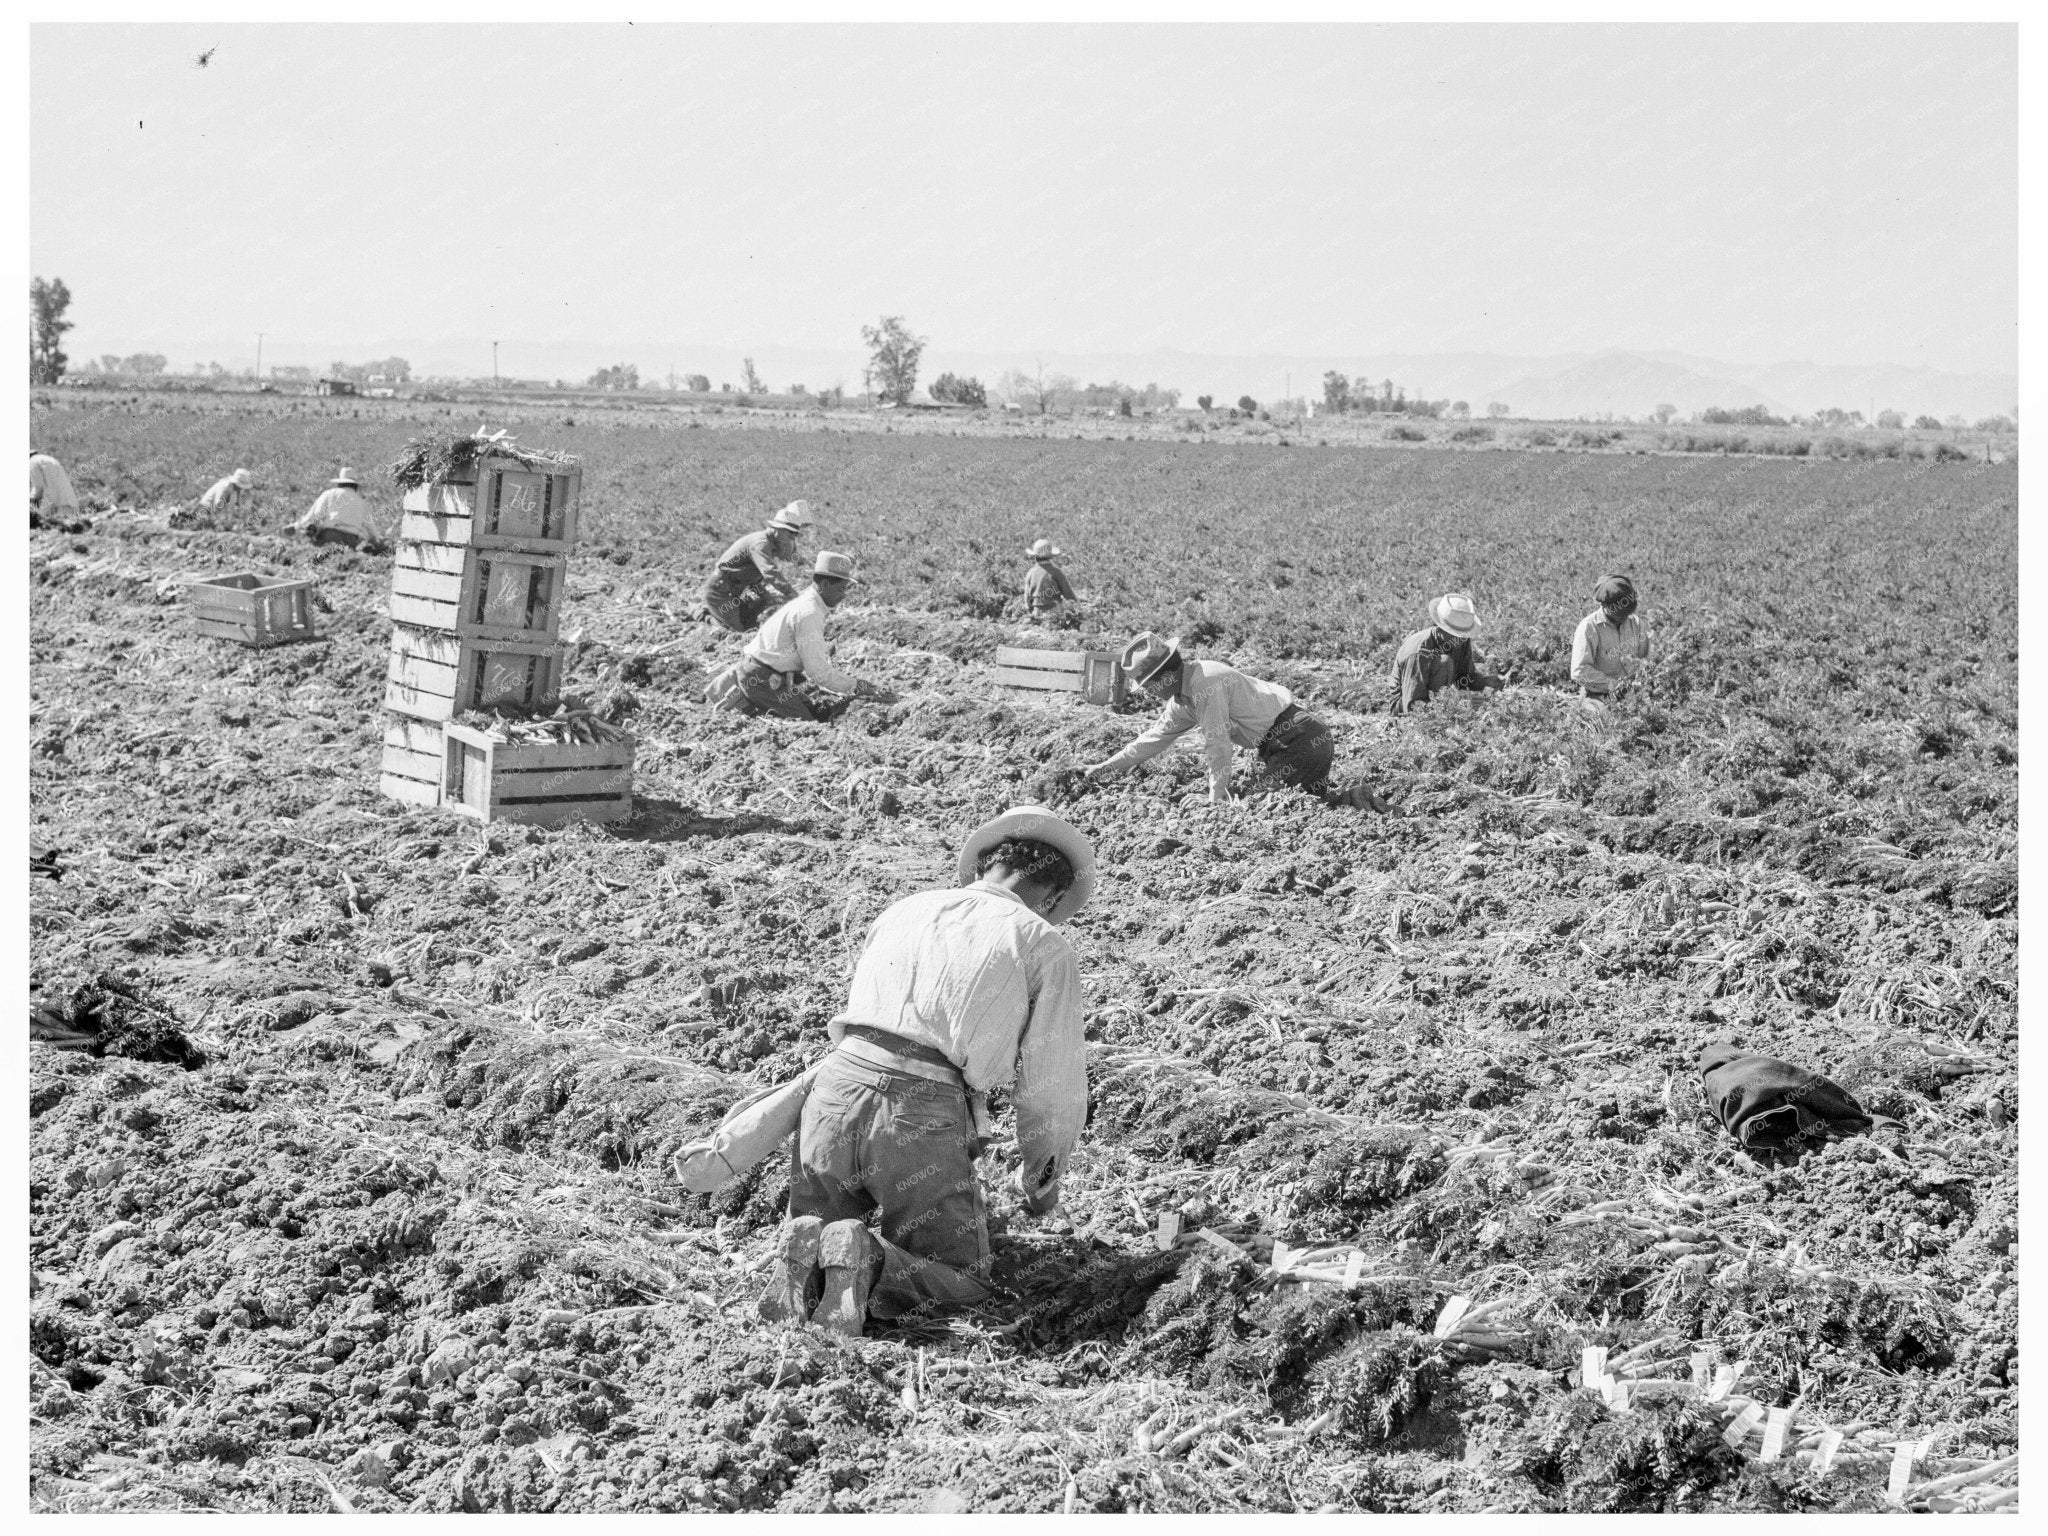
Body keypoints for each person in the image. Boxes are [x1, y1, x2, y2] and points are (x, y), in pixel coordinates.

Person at [760, 806, 1093, 1337]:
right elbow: (1050, 1089)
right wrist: (1041, 1179)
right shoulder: (1043, 944)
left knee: (822, 1235)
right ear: (1052, 898)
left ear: (983, 867)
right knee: (963, 1281)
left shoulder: (905, 909)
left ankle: (811, 1258)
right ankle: (867, 1255)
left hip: (834, 1090)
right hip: (920, 1110)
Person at [1082, 632, 1397, 811]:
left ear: (1164, 677)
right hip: (1284, 745)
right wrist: (1104, 768)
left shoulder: (1205, 682)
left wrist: (1213, 801)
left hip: (1298, 740)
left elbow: (1217, 745)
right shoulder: (1182, 698)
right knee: (1295, 803)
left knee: (1261, 807)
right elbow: (1153, 739)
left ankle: (1356, 801)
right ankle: (1355, 798)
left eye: (1148, 684)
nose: (1148, 692)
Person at [735, 551, 897, 718]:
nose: (843, 595)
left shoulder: (807, 604)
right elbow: (818, 672)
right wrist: (858, 686)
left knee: (816, 709)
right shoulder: (809, 613)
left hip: (765, 671)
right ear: (825, 584)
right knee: (806, 724)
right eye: (841, 589)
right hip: (761, 679)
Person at [703, 500, 812, 632]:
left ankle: (720, 612)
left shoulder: (771, 543)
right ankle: (704, 615)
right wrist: (794, 596)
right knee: (736, 631)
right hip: (720, 591)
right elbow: (770, 574)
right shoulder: (760, 544)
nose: (792, 539)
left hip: (736, 589)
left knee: (759, 612)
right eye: (791, 535)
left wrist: (767, 597)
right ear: (778, 530)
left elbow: (753, 578)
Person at [1391, 592, 1503, 713]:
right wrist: (1458, 703)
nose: (1461, 640)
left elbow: (1464, 678)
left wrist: (1485, 681)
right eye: (1457, 635)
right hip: (1404, 704)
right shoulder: (1418, 653)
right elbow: (1412, 705)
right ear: (1442, 628)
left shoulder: (1461, 640)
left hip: (1435, 701)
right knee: (1445, 662)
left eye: (1464, 635)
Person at [1570, 574, 1650, 701]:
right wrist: (1616, 685)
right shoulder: (1589, 628)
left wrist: (1641, 680)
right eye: (1620, 612)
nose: (1625, 616)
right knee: (1602, 717)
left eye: (1628, 611)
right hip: (1598, 695)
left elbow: (1645, 659)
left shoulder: (1636, 624)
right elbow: (1579, 672)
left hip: (1634, 693)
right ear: (1604, 605)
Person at [294, 468, 384, 552]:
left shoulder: (330, 493)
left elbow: (316, 514)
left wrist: (297, 526)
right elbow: (371, 528)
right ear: (355, 485)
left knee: (313, 543)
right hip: (352, 541)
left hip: (330, 536)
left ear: (340, 483)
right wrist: (378, 541)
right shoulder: (361, 502)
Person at [1023, 538, 1080, 628]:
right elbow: (1069, 595)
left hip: (1037, 613)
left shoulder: (1030, 573)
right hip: (1055, 612)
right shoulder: (1056, 572)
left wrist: (1031, 611)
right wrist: (1077, 607)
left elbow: (1027, 599)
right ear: (1050, 557)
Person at [29, 450, 81, 526]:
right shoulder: (48, 459)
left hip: (54, 507)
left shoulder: (33, 462)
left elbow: (38, 488)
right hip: (69, 504)